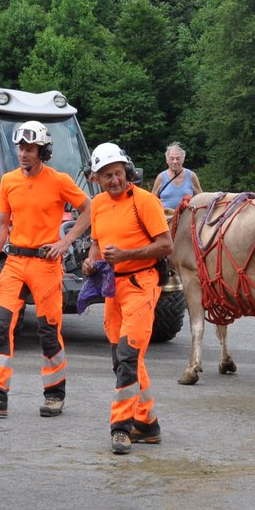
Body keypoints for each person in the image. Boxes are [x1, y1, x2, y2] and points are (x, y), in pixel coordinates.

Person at [0, 121, 92, 419]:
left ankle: (54, 394)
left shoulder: (59, 180)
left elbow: (88, 209)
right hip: (14, 262)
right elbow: (1, 224)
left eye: (30, 149)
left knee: (49, 332)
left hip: (46, 265)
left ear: (42, 151)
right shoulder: (9, 181)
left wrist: (67, 241)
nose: (23, 153)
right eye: (21, 148)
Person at [83, 142, 172, 455]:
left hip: (142, 284)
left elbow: (166, 246)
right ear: (97, 178)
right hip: (112, 288)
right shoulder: (98, 205)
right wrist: (91, 261)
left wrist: (126, 255)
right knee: (123, 359)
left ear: (127, 171)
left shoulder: (144, 201)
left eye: (117, 173)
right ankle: (148, 425)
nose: (114, 180)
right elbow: (97, 244)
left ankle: (121, 428)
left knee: (128, 356)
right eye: (106, 175)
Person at [151, 142, 203, 210]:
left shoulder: (191, 176)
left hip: (187, 218)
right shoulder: (161, 177)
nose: (175, 162)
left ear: (183, 159)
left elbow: (201, 198)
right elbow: (152, 200)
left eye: (178, 158)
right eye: (172, 159)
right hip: (165, 218)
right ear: (167, 160)